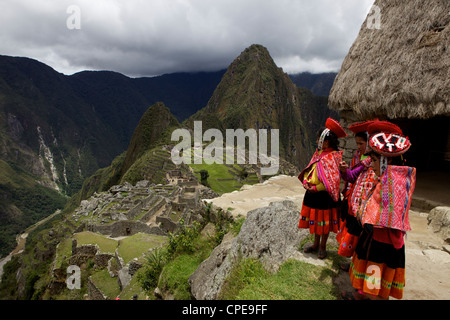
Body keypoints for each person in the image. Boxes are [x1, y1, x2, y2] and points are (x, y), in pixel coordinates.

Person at [345, 121, 416, 300]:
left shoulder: (394, 184)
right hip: (375, 236)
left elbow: (388, 216)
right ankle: (363, 295)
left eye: (375, 161)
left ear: (386, 160)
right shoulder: (388, 179)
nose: (373, 165)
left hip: (385, 242)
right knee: (371, 270)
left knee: (376, 274)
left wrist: (365, 217)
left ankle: (372, 297)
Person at [298, 118, 347, 259]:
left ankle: (323, 247)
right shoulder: (319, 153)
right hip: (313, 193)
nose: (317, 141)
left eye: (319, 139)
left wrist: (317, 188)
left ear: (327, 141)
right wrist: (307, 181)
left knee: (324, 223)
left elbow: (333, 180)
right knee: (317, 221)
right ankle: (315, 244)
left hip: (325, 196)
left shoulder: (333, 157)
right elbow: (311, 167)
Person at [336, 120, 375, 263]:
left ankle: (355, 262)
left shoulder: (372, 160)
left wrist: (346, 172)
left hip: (365, 202)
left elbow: (352, 175)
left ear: (369, 143)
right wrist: (345, 171)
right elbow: (351, 177)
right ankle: (351, 260)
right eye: (357, 144)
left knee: (359, 233)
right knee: (351, 229)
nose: (358, 147)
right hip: (354, 197)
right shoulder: (358, 157)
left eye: (361, 144)